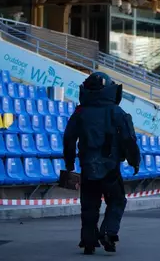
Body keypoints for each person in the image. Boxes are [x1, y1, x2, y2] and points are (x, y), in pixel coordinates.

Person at [63, 72, 141, 255]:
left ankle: (88, 241)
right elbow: (128, 139)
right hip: (110, 167)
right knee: (117, 200)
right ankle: (108, 232)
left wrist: (69, 163)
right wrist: (134, 161)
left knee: (89, 205)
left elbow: (68, 138)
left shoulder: (80, 112)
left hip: (87, 166)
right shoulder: (116, 112)